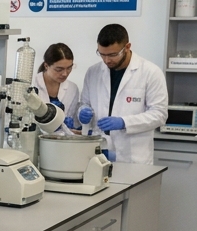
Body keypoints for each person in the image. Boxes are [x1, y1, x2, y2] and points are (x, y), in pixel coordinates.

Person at [74, 24, 168, 164]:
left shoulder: (150, 72)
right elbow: (84, 103)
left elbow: (159, 114)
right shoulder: (93, 72)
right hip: (99, 151)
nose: (107, 60)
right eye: (102, 54)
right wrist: (82, 111)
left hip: (133, 156)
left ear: (127, 47)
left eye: (112, 55)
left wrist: (124, 122)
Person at [33, 43, 78, 135]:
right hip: (34, 140)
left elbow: (69, 125)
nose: (65, 73)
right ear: (46, 66)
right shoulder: (31, 85)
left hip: (60, 143)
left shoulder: (72, 89)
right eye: (59, 69)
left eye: (69, 68)